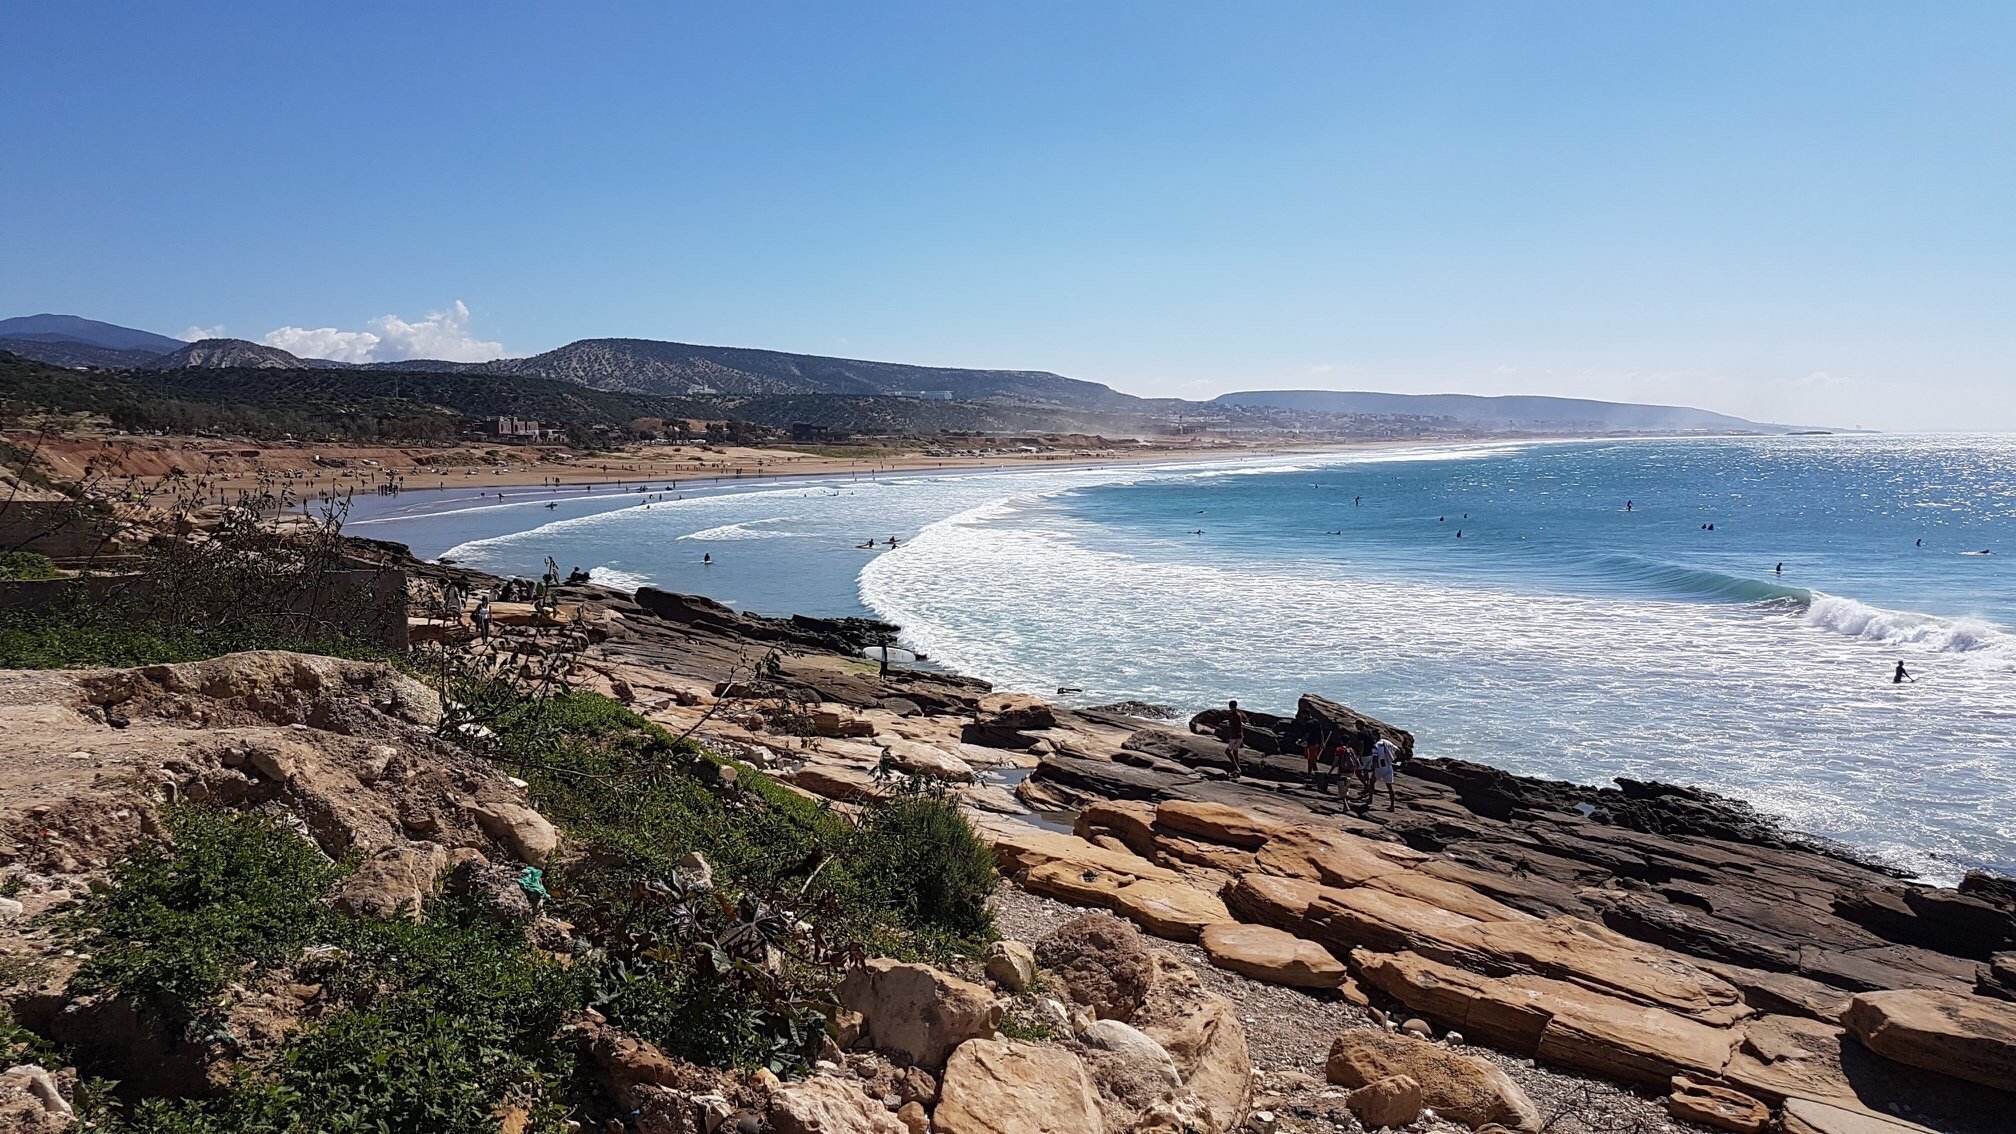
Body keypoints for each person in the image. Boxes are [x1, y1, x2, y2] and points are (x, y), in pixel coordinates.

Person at [1369, 736, 1399, 811]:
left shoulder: (1375, 746)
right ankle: (1392, 806)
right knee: (1390, 787)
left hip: (1380, 766)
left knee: (1372, 781)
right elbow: (1398, 750)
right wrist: (1394, 758)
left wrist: (1373, 767)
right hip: (1389, 766)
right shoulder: (1387, 742)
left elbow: (1375, 758)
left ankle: (1370, 799)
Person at [1222, 700, 1246, 777]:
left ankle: (1237, 768)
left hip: (1235, 736)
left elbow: (1237, 727)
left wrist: (1233, 736)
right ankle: (1237, 772)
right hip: (1239, 736)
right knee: (1235, 753)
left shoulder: (1235, 715)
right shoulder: (1238, 714)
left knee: (1227, 752)